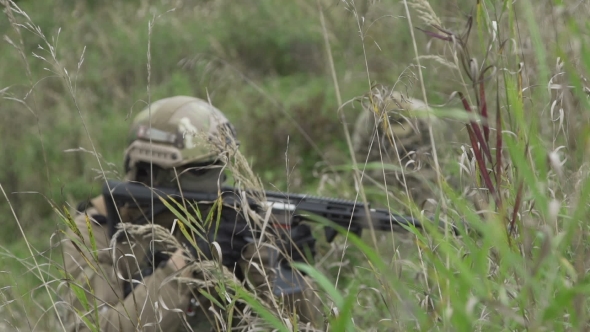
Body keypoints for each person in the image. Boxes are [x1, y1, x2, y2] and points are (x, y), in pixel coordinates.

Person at [57, 96, 323, 331]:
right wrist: (184, 264)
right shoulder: (97, 231)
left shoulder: (235, 218)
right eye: (197, 171)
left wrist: (281, 270)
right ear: (150, 171)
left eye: (219, 165)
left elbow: (314, 325)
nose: (214, 181)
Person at [351, 86, 445, 212]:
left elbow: (439, 160)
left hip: (418, 169)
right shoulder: (367, 121)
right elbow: (360, 157)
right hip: (383, 169)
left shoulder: (428, 121)